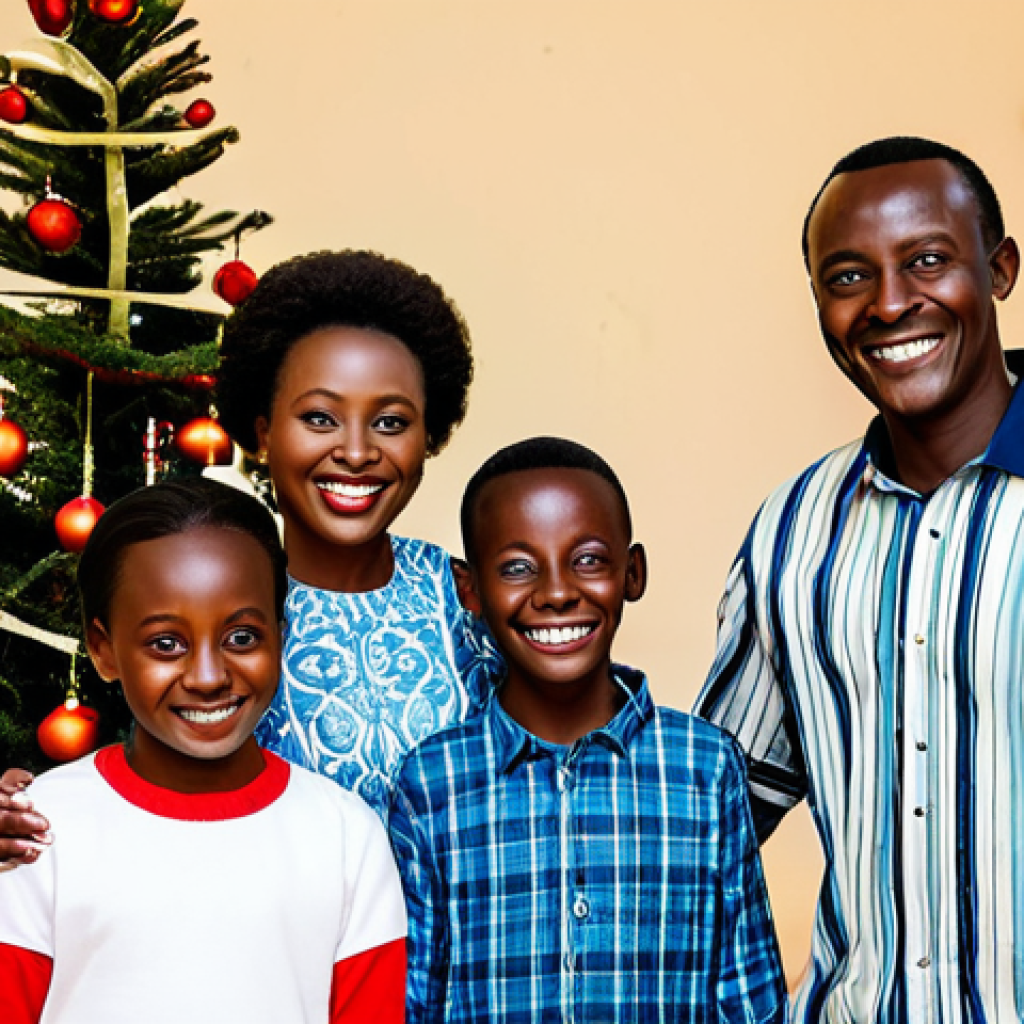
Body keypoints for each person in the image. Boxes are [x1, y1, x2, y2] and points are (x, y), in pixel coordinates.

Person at [0, 249, 500, 854]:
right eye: (319, 417)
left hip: (449, 948)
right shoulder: (202, 598)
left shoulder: (468, 598)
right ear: (262, 432)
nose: (358, 451)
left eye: (391, 422)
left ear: (430, 433)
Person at [697, 136, 1024, 1022]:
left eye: (926, 261)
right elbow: (710, 815)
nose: (888, 304)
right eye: (847, 278)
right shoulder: (791, 530)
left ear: (999, 270)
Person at [390, 436, 786, 1023]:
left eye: (589, 560)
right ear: (469, 589)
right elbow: (414, 999)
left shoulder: (707, 768)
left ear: (633, 572)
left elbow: (749, 996)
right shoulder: (431, 782)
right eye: (518, 568)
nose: (555, 593)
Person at [0, 479, 407, 1024]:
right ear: (103, 650)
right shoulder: (36, 829)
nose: (210, 677)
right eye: (166, 644)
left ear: (281, 636)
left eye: (242, 637)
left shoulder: (345, 836)